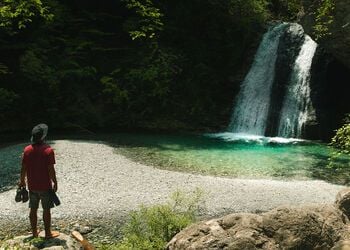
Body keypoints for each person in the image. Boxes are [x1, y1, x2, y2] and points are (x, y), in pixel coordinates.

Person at [19, 124, 59, 238]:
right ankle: (47, 233)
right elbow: (50, 169)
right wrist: (55, 182)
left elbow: (23, 168)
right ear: (43, 137)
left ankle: (34, 233)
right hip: (45, 186)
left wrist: (22, 181)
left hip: (32, 186)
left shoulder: (27, 150)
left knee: (33, 209)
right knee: (46, 210)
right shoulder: (48, 150)